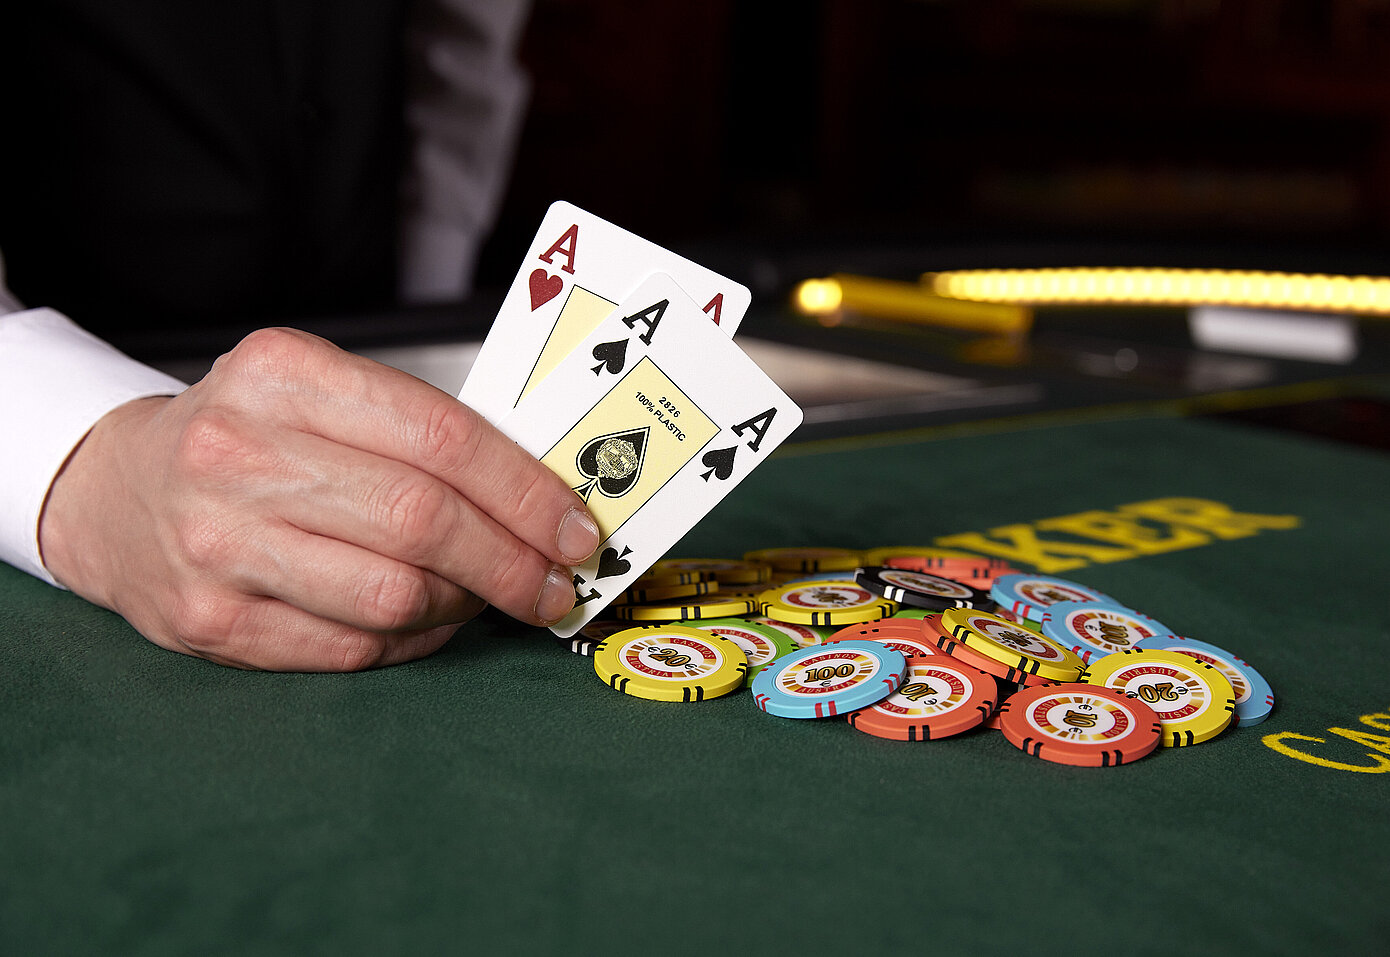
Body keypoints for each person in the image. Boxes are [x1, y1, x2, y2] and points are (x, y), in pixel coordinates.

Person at [0, 0, 599, 671]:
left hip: (384, 311)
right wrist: (89, 468)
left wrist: (429, 297)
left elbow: (462, 36)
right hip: (84, 335)